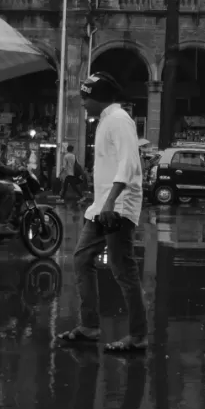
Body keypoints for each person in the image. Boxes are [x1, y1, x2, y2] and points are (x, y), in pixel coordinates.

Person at [57, 72, 147, 354]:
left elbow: (129, 163)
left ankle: (137, 335)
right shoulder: (107, 120)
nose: (83, 103)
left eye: (86, 97)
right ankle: (90, 326)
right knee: (82, 259)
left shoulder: (119, 120)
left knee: (124, 271)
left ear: (100, 98)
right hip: (103, 207)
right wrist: (98, 204)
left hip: (116, 208)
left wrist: (109, 203)